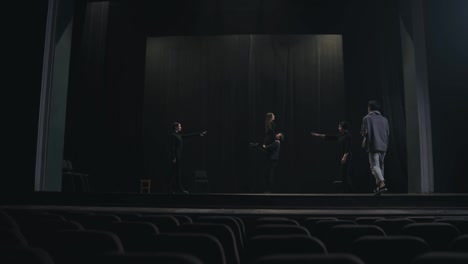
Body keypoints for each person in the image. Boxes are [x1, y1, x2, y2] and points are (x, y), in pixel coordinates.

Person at [311, 121, 353, 192]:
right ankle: (346, 191)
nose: (338, 128)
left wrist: (344, 157)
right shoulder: (341, 135)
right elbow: (330, 137)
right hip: (342, 158)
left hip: (346, 158)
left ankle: (351, 192)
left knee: (345, 175)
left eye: (339, 127)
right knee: (343, 175)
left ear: (343, 128)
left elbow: (348, 148)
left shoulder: (348, 136)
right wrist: (318, 135)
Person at [169, 122, 207, 194]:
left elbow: (188, 136)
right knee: (177, 173)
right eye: (179, 126)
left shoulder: (178, 135)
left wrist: (199, 134)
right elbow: (172, 147)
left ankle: (170, 189)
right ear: (176, 127)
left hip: (178, 157)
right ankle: (180, 189)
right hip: (176, 157)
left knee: (173, 173)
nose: (181, 127)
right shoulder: (173, 135)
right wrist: (173, 157)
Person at [361, 100, 389, 194]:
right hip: (384, 145)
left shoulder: (367, 118)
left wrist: (363, 134)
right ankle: (379, 187)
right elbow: (388, 133)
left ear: (369, 107)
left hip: (373, 144)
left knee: (374, 166)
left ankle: (381, 183)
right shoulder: (384, 119)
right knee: (380, 166)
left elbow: (364, 132)